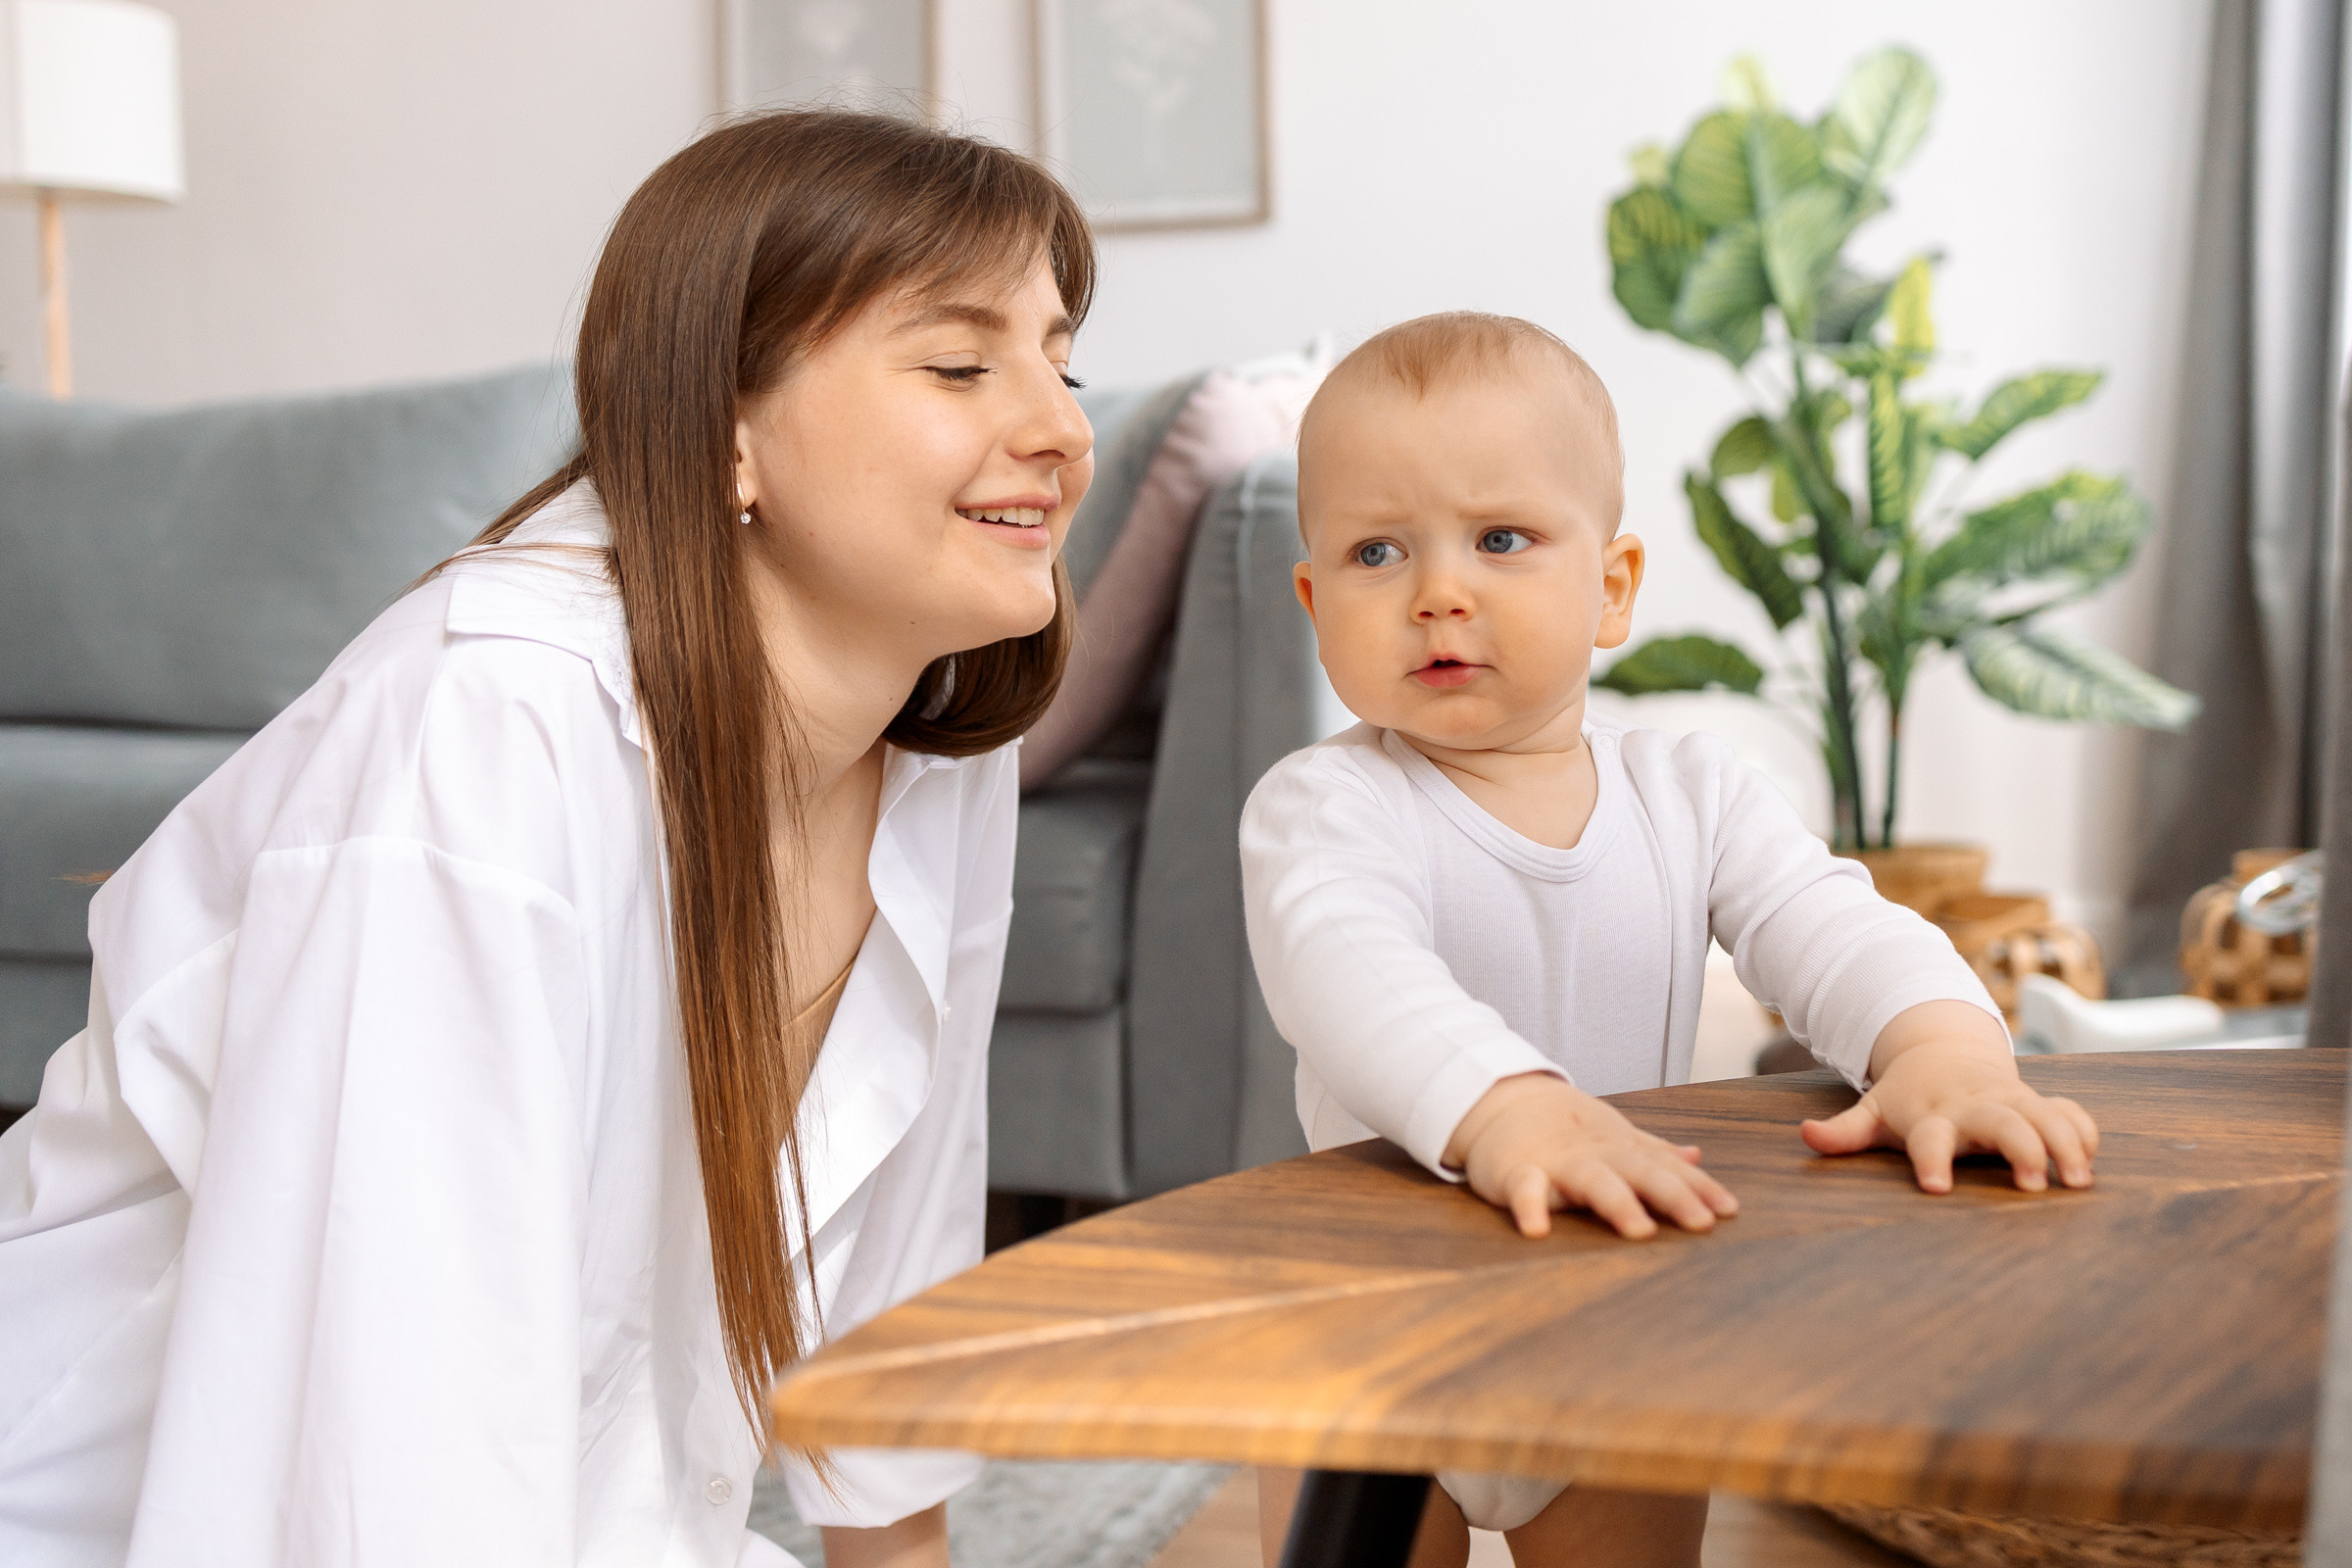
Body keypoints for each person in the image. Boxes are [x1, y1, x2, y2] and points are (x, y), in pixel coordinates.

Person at [0, 111, 1096, 1568]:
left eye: (1060, 359)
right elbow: (383, 1447)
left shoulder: (940, 727)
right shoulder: (484, 722)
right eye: (963, 365)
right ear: (725, 430)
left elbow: (891, 1322)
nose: (1064, 429)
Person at [1241, 313, 2102, 1568]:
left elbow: (1831, 922)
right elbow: (1347, 973)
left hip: (1620, 1303)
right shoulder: (1326, 805)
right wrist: (1506, 1110)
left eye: (1500, 538)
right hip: (1374, 1320)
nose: (1439, 590)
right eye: (1378, 550)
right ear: (1316, 600)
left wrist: (1942, 1049)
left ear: (1613, 587)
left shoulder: (1692, 791)